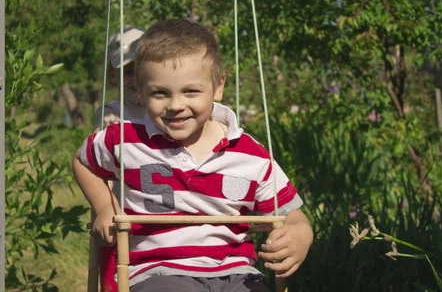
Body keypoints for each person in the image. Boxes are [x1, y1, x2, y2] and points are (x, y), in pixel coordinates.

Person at [73, 19, 313, 291]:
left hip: (237, 272)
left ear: (218, 86)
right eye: (160, 93)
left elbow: (292, 214)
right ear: (140, 92)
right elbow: (83, 160)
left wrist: (300, 234)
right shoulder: (127, 139)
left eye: (191, 91)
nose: (176, 105)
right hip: (159, 272)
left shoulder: (249, 155)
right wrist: (105, 207)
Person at [94, 26, 146, 292]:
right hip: (120, 210)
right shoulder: (111, 113)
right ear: (113, 76)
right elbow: (95, 164)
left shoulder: (168, 108)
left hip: (157, 210)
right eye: (127, 71)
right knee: (115, 278)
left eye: (141, 69)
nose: (135, 78)